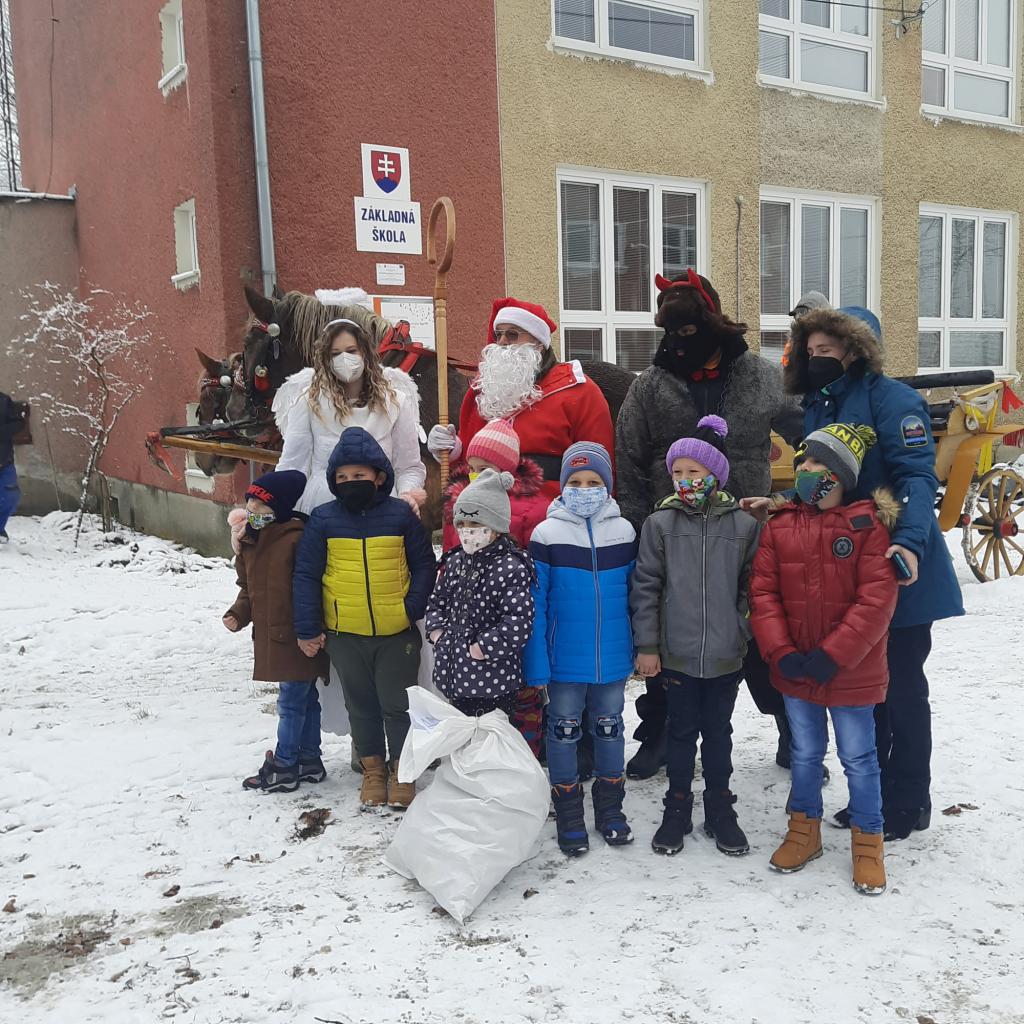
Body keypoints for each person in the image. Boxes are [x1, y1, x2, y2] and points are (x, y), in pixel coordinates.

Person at [775, 306, 964, 841]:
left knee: (901, 688)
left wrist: (908, 543)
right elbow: (822, 482)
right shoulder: (818, 405)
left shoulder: (893, 401)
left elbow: (917, 479)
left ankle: (909, 799)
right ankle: (873, 797)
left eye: (826, 350)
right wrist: (783, 506)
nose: (816, 359)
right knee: (864, 690)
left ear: (855, 350)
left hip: (899, 565)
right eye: (810, 351)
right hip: (846, 571)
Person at [615, 271, 803, 779]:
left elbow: (809, 439)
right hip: (672, 539)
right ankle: (659, 733)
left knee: (762, 633)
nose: (680, 342)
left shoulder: (760, 377)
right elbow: (628, 458)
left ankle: (790, 727)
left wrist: (791, 505)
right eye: (671, 333)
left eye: (690, 330)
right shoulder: (651, 385)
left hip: (746, 537)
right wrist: (637, 527)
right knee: (670, 636)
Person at [750, 423, 899, 895]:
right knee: (805, 753)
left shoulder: (867, 526)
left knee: (859, 757)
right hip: (796, 668)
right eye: (803, 462)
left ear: (839, 474)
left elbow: (876, 601)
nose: (805, 469)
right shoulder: (779, 527)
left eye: (816, 463)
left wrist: (834, 655)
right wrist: (780, 652)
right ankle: (803, 830)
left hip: (852, 670)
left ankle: (868, 842)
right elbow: (763, 594)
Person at [630, 416, 760, 857]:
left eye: (695, 471)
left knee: (719, 734)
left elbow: (752, 587)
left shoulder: (743, 526)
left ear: (715, 474)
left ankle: (721, 808)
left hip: (725, 655)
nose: (686, 480)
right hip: (677, 656)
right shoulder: (660, 524)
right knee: (682, 733)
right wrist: (648, 646)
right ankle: (677, 807)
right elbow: (646, 586)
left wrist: (741, 628)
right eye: (678, 472)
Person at [292, 428, 436, 810]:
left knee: (398, 705)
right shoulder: (323, 520)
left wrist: (410, 608)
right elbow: (306, 575)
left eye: (359, 475)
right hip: (346, 634)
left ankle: (402, 771)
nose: (350, 482)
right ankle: (373, 770)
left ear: (379, 476)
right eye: (342, 477)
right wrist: (308, 626)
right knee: (361, 706)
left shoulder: (401, 515)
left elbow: (424, 564)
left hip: (396, 633)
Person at [524, 442, 636, 856]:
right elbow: (535, 603)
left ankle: (610, 808)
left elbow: (637, 595)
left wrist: (642, 646)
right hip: (563, 661)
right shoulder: (546, 534)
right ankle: (568, 810)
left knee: (609, 728)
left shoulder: (624, 531)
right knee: (563, 730)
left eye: (593, 482)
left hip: (612, 658)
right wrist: (537, 662)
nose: (584, 489)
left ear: (607, 485)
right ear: (562, 485)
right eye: (575, 482)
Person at [426, 298, 614, 501]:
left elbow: (601, 466)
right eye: (498, 334)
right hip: (486, 509)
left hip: (552, 510)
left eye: (512, 334)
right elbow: (469, 464)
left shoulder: (579, 391)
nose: (502, 341)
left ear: (538, 343)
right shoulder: (484, 391)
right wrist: (453, 451)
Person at [441, 418, 548, 756]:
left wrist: (485, 645)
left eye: (484, 468)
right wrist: (440, 632)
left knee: (510, 715)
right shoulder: (462, 501)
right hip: (462, 639)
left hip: (502, 641)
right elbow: (448, 570)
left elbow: (521, 608)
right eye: (471, 467)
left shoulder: (526, 513)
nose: (475, 474)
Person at [223, 470, 331, 792]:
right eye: (250, 504)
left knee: (291, 703)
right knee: (305, 699)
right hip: (276, 636)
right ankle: (309, 760)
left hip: (301, 636)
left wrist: (310, 631)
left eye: (260, 506)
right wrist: (238, 614)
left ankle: (284, 766)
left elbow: (310, 589)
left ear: (279, 508)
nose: (252, 511)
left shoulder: (297, 539)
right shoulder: (251, 541)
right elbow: (249, 589)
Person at [274, 317, 426, 516]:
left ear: (365, 353)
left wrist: (407, 495)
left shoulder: (395, 403)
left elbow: (408, 467)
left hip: (380, 507)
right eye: (335, 353)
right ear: (326, 359)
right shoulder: (309, 403)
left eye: (351, 351)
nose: (344, 359)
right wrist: (270, 505)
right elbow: (292, 466)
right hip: (325, 507)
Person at [425, 469, 535, 719]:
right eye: (461, 524)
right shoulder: (455, 562)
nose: (467, 530)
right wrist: (437, 633)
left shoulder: (511, 567)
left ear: (496, 526)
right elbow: (437, 602)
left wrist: (482, 648)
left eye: (475, 523)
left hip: (493, 678)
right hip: (454, 673)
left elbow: (518, 621)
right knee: (462, 735)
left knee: (491, 737)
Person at [0, 392, 28, 543]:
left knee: (11, 496)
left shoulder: (3, 400)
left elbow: (19, 422)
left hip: (4, 461)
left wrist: (2, 431)